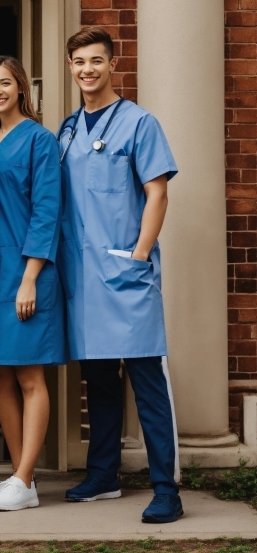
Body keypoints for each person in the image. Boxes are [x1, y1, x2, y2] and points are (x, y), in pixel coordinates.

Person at [57, 26, 181, 524]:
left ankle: (166, 488)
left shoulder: (139, 123)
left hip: (125, 271)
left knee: (147, 380)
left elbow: (157, 192)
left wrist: (140, 254)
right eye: (78, 61)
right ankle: (103, 474)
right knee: (99, 378)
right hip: (83, 276)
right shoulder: (66, 130)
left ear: (113, 64)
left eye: (95, 60)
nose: (87, 69)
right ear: (70, 67)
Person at [0, 56, 65, 511]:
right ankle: (18, 478)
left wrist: (29, 278)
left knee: (29, 374)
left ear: (21, 88)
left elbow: (48, 212)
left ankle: (27, 476)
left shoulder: (40, 141)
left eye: (5, 83)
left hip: (29, 269)